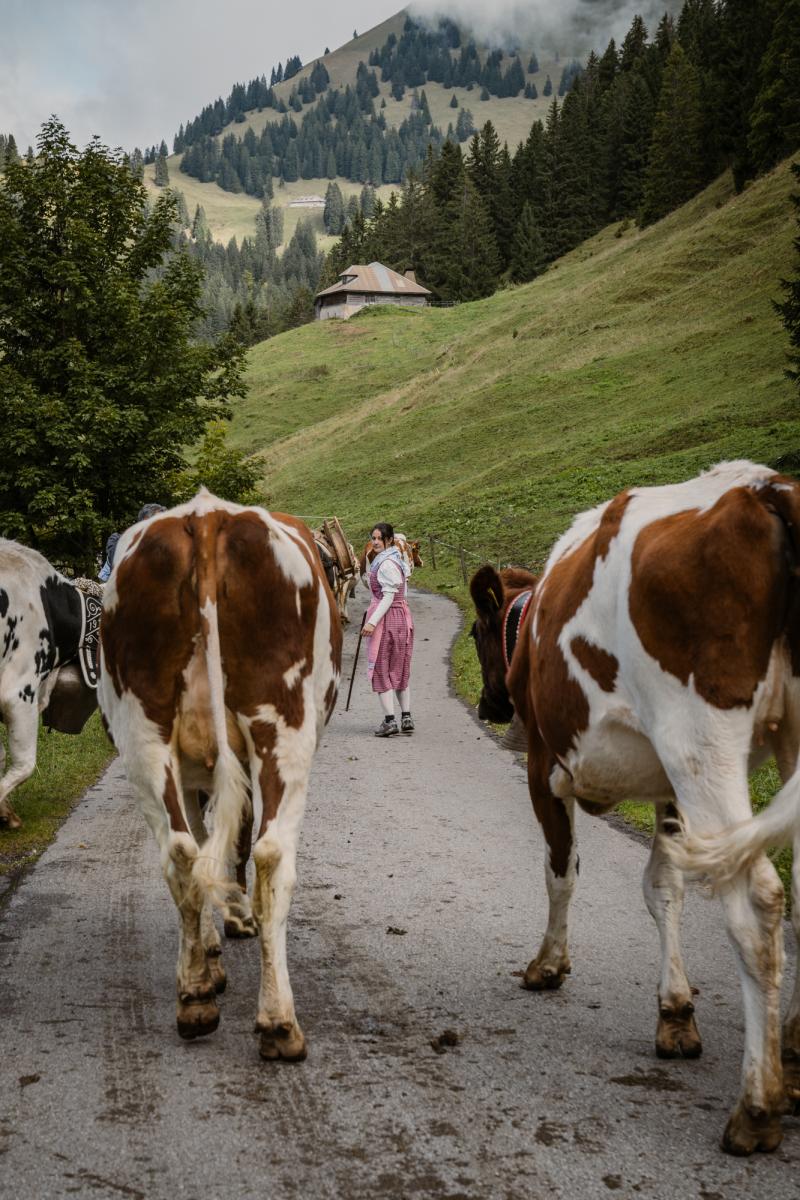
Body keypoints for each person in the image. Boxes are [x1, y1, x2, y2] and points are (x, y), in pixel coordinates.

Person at [363, 522, 414, 737]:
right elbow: (403, 592)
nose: (375, 542)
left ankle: (390, 721)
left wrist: (372, 621)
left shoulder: (385, 564)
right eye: (373, 538)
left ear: (389, 540)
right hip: (402, 617)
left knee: (381, 667)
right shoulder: (397, 560)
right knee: (399, 667)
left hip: (387, 619)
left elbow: (389, 596)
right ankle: (406, 717)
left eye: (379, 538)